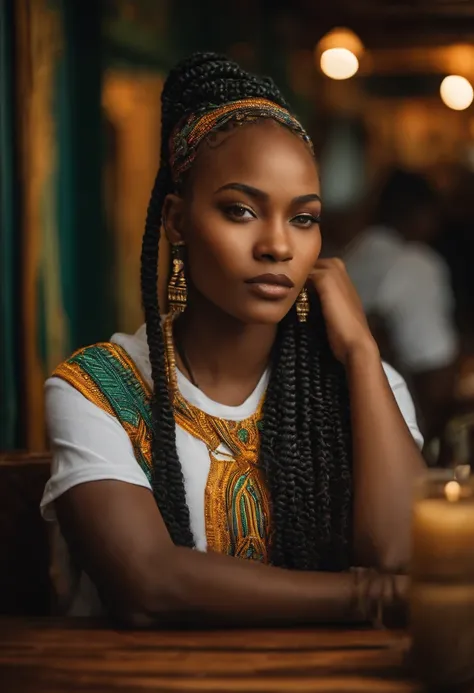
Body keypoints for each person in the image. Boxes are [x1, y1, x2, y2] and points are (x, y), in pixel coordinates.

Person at [41, 53, 425, 627]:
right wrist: (373, 597)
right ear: (175, 221)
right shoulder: (96, 391)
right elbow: (148, 582)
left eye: (303, 218)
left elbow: (402, 553)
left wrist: (363, 353)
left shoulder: (365, 385)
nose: (277, 245)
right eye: (241, 210)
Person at [342, 169, 459, 444]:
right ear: (422, 213)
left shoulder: (350, 256)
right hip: (395, 433)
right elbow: (435, 376)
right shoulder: (415, 265)